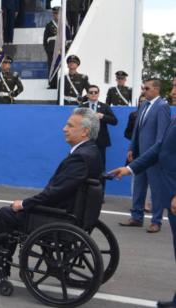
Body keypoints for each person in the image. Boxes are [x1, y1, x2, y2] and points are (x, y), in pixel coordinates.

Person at [0, 107, 102, 281]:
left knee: (5, 214)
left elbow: (55, 193)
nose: (64, 129)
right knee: (12, 212)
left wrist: (26, 203)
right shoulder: (92, 151)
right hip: (70, 212)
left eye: (70, 125)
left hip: (59, 216)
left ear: (85, 131)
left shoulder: (80, 157)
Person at [108, 117, 176, 308]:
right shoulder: (173, 119)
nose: (171, 92)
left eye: (175, 86)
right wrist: (129, 168)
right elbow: (159, 148)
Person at [120, 78, 171, 233]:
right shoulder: (143, 106)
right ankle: (136, 217)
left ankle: (156, 222)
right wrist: (131, 148)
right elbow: (137, 130)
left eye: (147, 88)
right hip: (139, 155)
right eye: (143, 88)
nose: (144, 90)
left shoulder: (162, 107)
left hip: (153, 158)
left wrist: (152, 155)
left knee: (156, 190)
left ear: (156, 89)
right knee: (138, 187)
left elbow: (161, 137)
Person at [80, 85, 117, 198]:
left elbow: (115, 121)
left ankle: (100, 194)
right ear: (87, 94)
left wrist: (103, 116)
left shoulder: (104, 107)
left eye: (96, 92)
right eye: (91, 92)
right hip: (85, 141)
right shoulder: (83, 106)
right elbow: (76, 120)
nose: (93, 94)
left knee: (100, 168)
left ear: (99, 93)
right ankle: (84, 192)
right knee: (84, 166)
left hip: (100, 142)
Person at [43, 6, 59, 89]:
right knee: (52, 67)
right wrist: (48, 50)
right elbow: (45, 40)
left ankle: (59, 83)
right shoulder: (49, 25)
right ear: (53, 14)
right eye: (55, 13)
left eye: (58, 13)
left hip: (61, 50)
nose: (56, 15)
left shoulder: (63, 25)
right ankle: (52, 83)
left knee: (59, 67)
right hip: (51, 49)